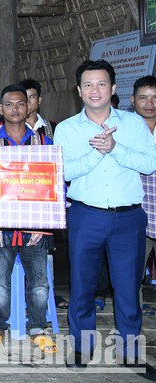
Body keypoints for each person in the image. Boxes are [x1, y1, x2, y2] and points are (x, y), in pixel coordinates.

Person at [55, 60, 156, 367]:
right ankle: (81, 348)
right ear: (78, 91)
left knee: (127, 287)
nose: (94, 90)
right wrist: (96, 153)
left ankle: (130, 352)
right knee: (82, 285)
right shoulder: (67, 128)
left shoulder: (133, 124)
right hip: (86, 216)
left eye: (101, 84)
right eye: (87, 85)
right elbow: (65, 171)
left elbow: (149, 163)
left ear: (113, 89)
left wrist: (115, 148)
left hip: (128, 217)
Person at [0, 85, 57, 354]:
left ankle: (38, 328)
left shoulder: (44, 143)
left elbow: (55, 181)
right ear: (1, 108)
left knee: (39, 281)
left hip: (35, 227)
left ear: (29, 107)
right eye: (9, 104)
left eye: (21, 104)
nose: (16, 109)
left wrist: (54, 210)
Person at [133, 76, 156, 317]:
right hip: (136, 216)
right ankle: (132, 325)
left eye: (155, 98)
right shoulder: (126, 131)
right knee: (132, 278)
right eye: (143, 97)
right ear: (133, 100)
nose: (150, 103)